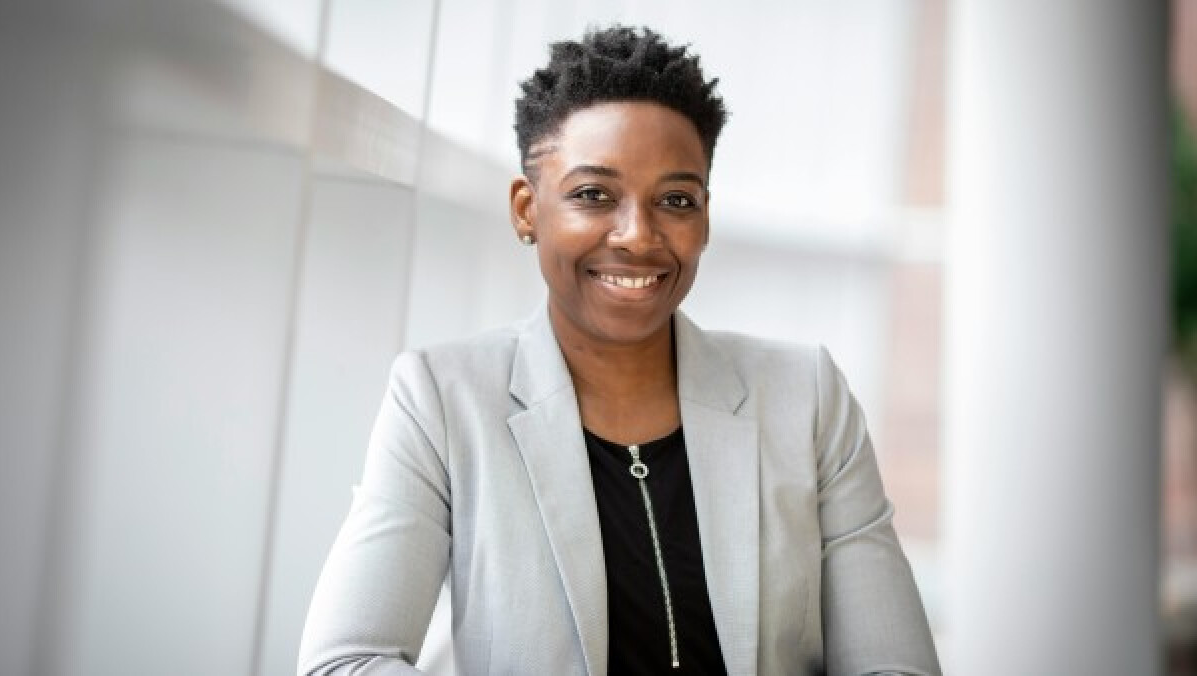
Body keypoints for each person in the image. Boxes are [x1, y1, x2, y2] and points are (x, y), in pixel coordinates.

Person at [298, 25, 940, 676]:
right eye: (593, 195)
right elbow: (346, 662)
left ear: (705, 218)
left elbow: (896, 666)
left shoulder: (807, 399)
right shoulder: (441, 399)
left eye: (675, 200)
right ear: (527, 209)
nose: (637, 236)